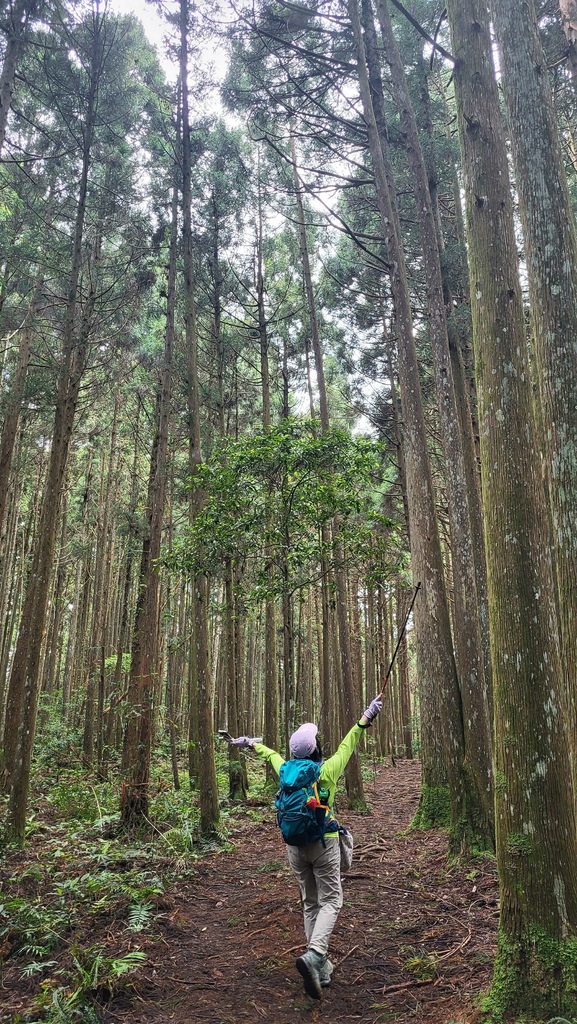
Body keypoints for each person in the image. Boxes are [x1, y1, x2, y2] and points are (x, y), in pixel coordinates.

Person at [229, 695, 383, 1000]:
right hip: (324, 843)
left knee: (310, 903)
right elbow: (348, 744)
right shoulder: (327, 771)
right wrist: (367, 716)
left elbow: (269, 752)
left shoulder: (284, 768)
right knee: (332, 901)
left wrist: (248, 742)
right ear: (315, 748)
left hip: (294, 847)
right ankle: (314, 955)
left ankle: (319, 966)